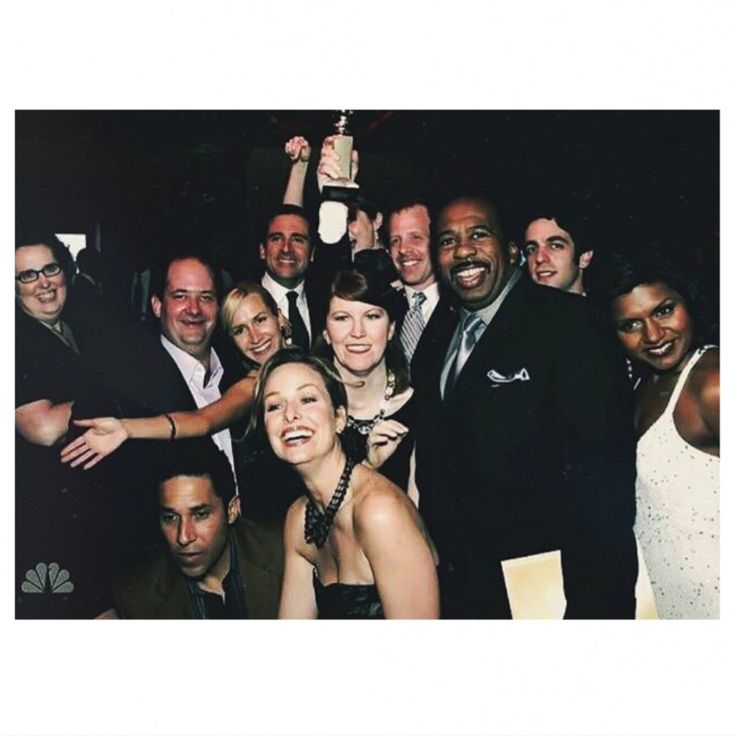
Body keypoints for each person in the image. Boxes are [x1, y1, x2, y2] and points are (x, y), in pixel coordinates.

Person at [412, 194, 638, 618]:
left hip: (550, 591)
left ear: (510, 249)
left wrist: (595, 614)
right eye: (447, 240)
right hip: (465, 588)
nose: (463, 250)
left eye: (478, 234)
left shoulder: (570, 324)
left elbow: (604, 486)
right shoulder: (438, 335)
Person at [60, 282, 300, 523]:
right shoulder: (251, 385)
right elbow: (203, 421)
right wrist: (128, 428)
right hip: (279, 520)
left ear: (279, 317)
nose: (255, 337)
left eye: (260, 320)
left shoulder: (313, 364)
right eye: (239, 330)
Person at [249, 347, 439, 619]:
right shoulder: (300, 518)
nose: (290, 415)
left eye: (307, 399)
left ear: (339, 418)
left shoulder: (379, 511)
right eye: (274, 406)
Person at [601, 251, 719, 618]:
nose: (653, 335)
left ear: (690, 301)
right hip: (674, 603)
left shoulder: (713, 384)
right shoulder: (643, 384)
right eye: (630, 325)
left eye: (664, 310)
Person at [113, 438, 282, 619]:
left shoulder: (284, 554)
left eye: (200, 515)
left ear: (232, 510)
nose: (184, 537)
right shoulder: (138, 598)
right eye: (170, 518)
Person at [313, 267, 417, 499]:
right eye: (342, 318)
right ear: (326, 332)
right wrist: (370, 466)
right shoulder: (309, 411)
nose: (357, 332)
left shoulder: (420, 408)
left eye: (371, 316)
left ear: (390, 328)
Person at [386, 198, 456, 370]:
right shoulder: (382, 307)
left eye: (415, 237)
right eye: (395, 240)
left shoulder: (461, 308)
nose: (403, 249)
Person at [521, 205, 595, 295]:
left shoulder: (602, 308)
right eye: (531, 249)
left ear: (585, 257)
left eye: (555, 246)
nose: (539, 258)